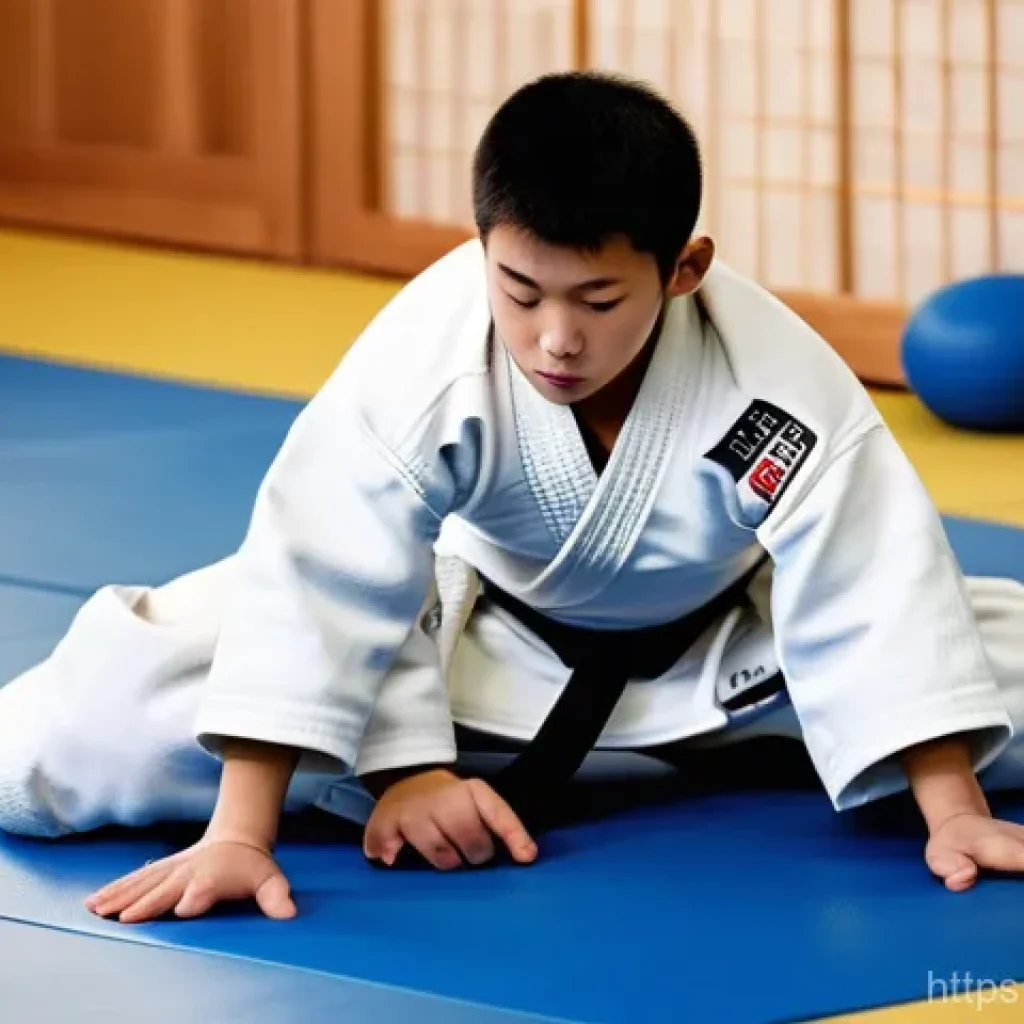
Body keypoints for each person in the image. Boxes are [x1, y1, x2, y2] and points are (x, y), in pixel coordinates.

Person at [1, 71, 1023, 925]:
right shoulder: (425, 356)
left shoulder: (772, 382)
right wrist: (297, 811)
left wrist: (950, 811)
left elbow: (870, 577)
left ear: (684, 269)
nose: (554, 340)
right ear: (482, 244)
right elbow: (320, 567)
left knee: (974, 675)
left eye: (598, 300)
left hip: (746, 659)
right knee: (93, 720)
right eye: (519, 292)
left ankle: (845, 748)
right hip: (472, 647)